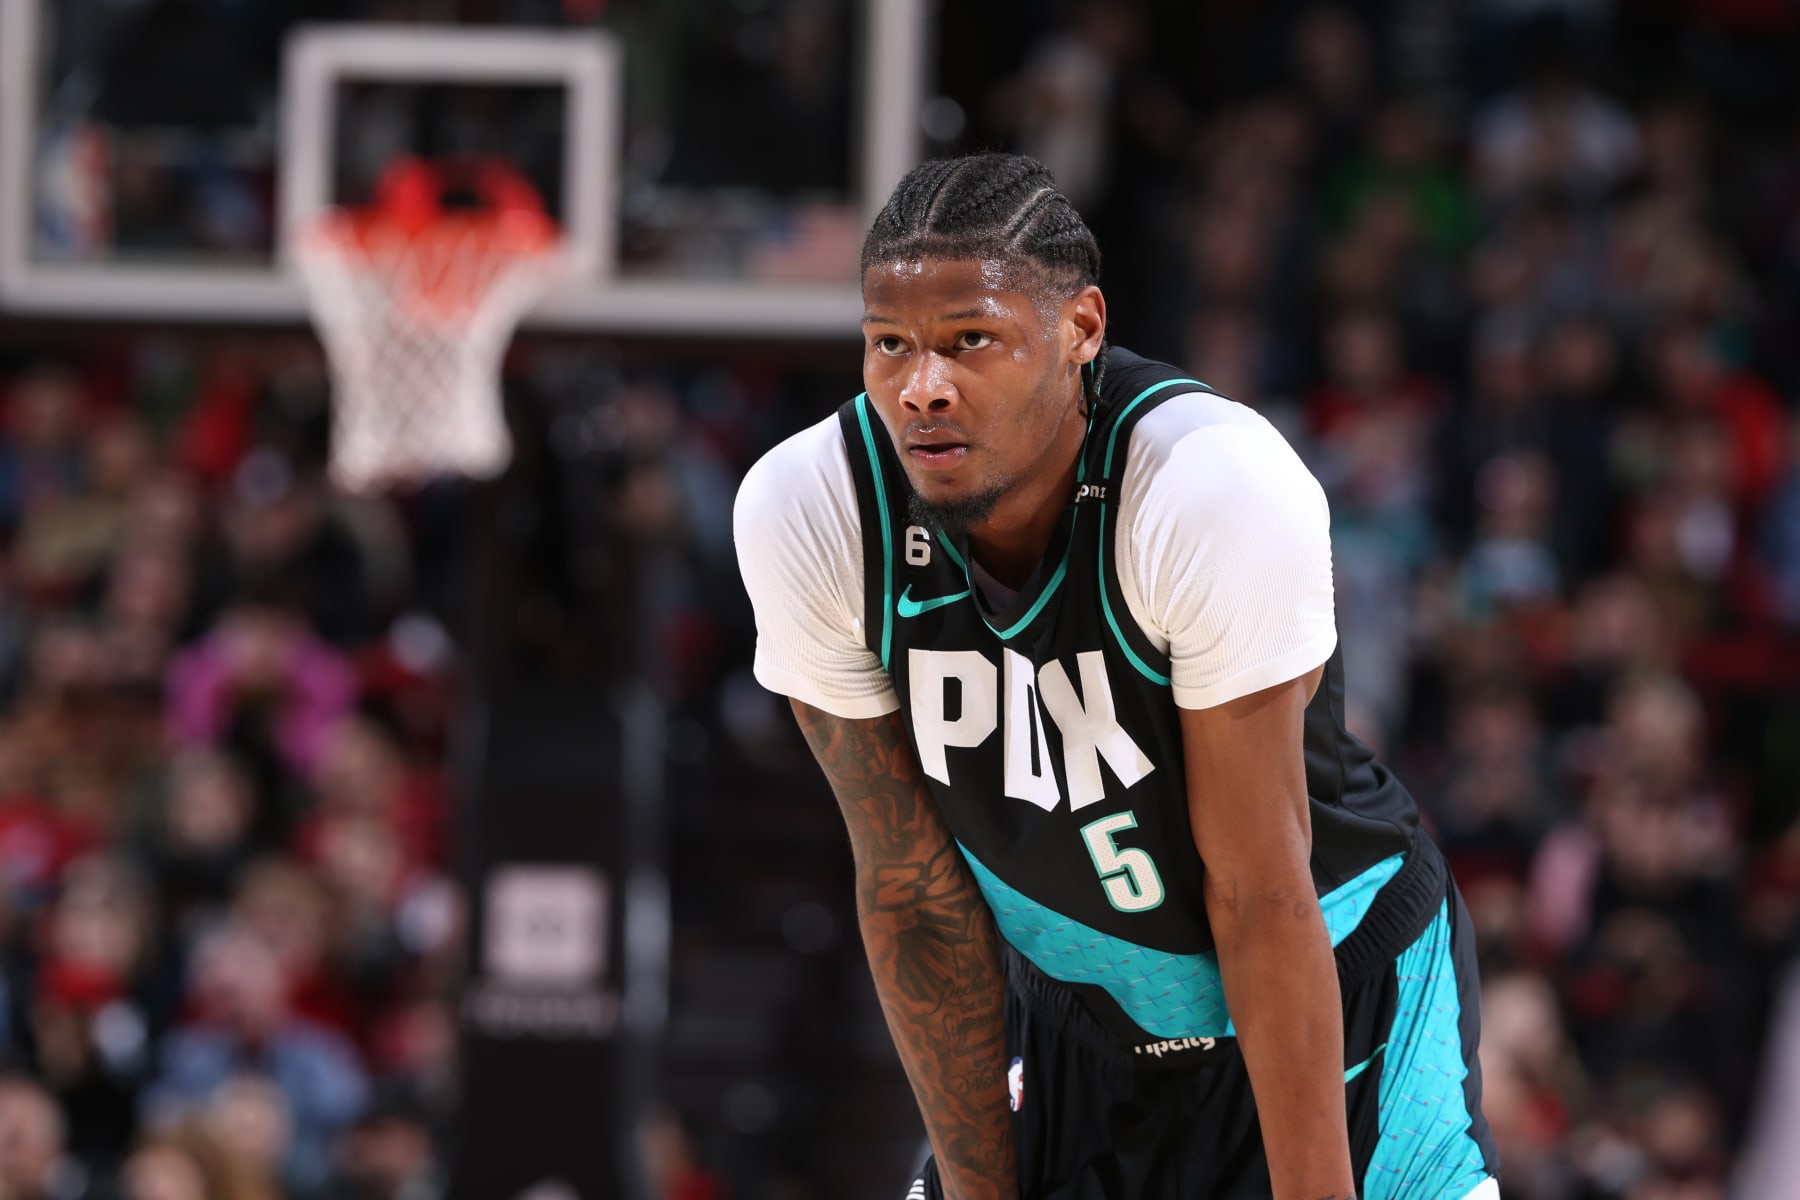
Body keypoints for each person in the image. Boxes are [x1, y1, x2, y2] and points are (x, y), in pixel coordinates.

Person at [734, 151, 1498, 1199]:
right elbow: (912, 894)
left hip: (1330, 992)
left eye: (971, 342)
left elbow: (1258, 896)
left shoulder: (1207, 486)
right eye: (889, 346)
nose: (924, 387)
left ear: (1079, 332)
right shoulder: (813, 511)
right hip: (1078, 1035)